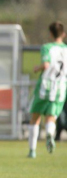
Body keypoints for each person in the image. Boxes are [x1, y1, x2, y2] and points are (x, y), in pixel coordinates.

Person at [28, 21, 67, 158]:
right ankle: (50, 132)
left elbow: (46, 65)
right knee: (51, 117)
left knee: (35, 118)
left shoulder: (47, 47)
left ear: (50, 34)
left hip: (46, 86)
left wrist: (37, 68)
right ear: (63, 34)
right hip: (61, 87)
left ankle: (32, 151)